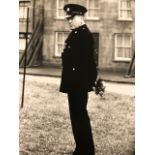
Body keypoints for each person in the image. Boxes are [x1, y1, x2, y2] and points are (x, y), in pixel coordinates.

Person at [59, 4, 97, 155]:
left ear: (81, 17)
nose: (69, 21)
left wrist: (87, 83)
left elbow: (88, 64)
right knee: (76, 118)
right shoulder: (75, 34)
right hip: (74, 83)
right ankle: (81, 149)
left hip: (78, 84)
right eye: (68, 18)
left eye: (71, 18)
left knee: (80, 117)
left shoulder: (84, 35)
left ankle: (86, 150)